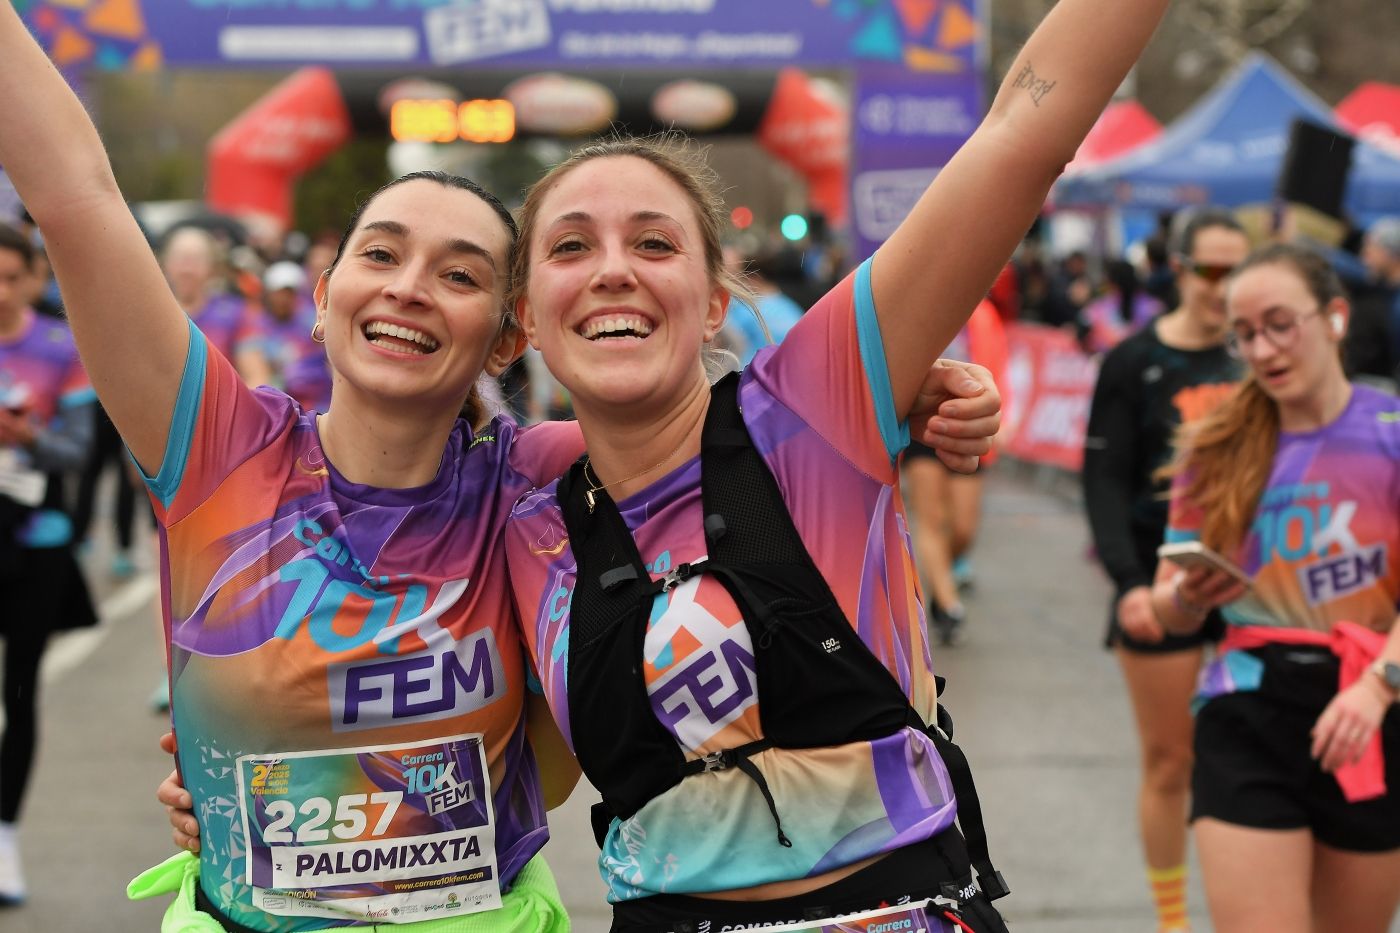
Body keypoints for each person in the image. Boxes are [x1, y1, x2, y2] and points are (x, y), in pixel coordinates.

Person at [503, 1, 1173, 928]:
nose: (613, 269)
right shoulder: (514, 493)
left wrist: (892, 388)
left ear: (712, 304)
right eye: (570, 246)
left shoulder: (808, 410)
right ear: (527, 317)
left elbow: (1024, 132)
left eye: (655, 243)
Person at [1151, 243, 1400, 933]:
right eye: (1245, 332)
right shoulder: (1216, 445)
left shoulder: (1390, 433)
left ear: (1336, 318)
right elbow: (1168, 610)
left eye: (1280, 323)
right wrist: (1189, 596)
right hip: (1247, 710)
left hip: (1368, 714)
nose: (1262, 348)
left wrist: (1378, 687)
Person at [1081, 207, 1249, 933]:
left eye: (1238, 269)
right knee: (1170, 761)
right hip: (1160, 578)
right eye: (1212, 269)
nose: (1225, 286)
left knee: (1251, 756)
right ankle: (1174, 921)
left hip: (1253, 585)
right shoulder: (1133, 361)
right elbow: (1105, 479)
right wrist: (1127, 583)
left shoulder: (1256, 359)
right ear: (1180, 271)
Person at [0, 221, 99, 905]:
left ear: (35, 278)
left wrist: (28, 434)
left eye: (13, 276)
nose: (2, 291)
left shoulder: (60, 347)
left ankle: (4, 835)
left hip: (36, 541)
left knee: (18, 690)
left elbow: (79, 453)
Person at [904, 297, 1008, 645]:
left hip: (968, 424)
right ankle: (948, 604)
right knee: (931, 518)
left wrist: (1000, 418)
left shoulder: (984, 314)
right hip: (923, 421)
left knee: (963, 527)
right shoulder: (920, 299)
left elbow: (998, 368)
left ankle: (938, 580)